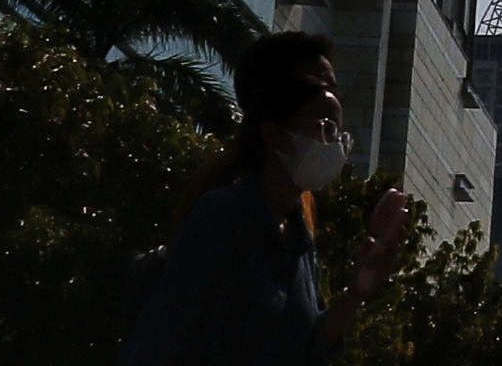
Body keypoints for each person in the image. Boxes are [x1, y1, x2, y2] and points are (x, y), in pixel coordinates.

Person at [123, 30, 416, 366]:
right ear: (274, 130)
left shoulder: (299, 238)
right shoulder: (224, 216)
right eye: (318, 87)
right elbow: (161, 341)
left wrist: (360, 286)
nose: (333, 142)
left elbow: (305, 345)